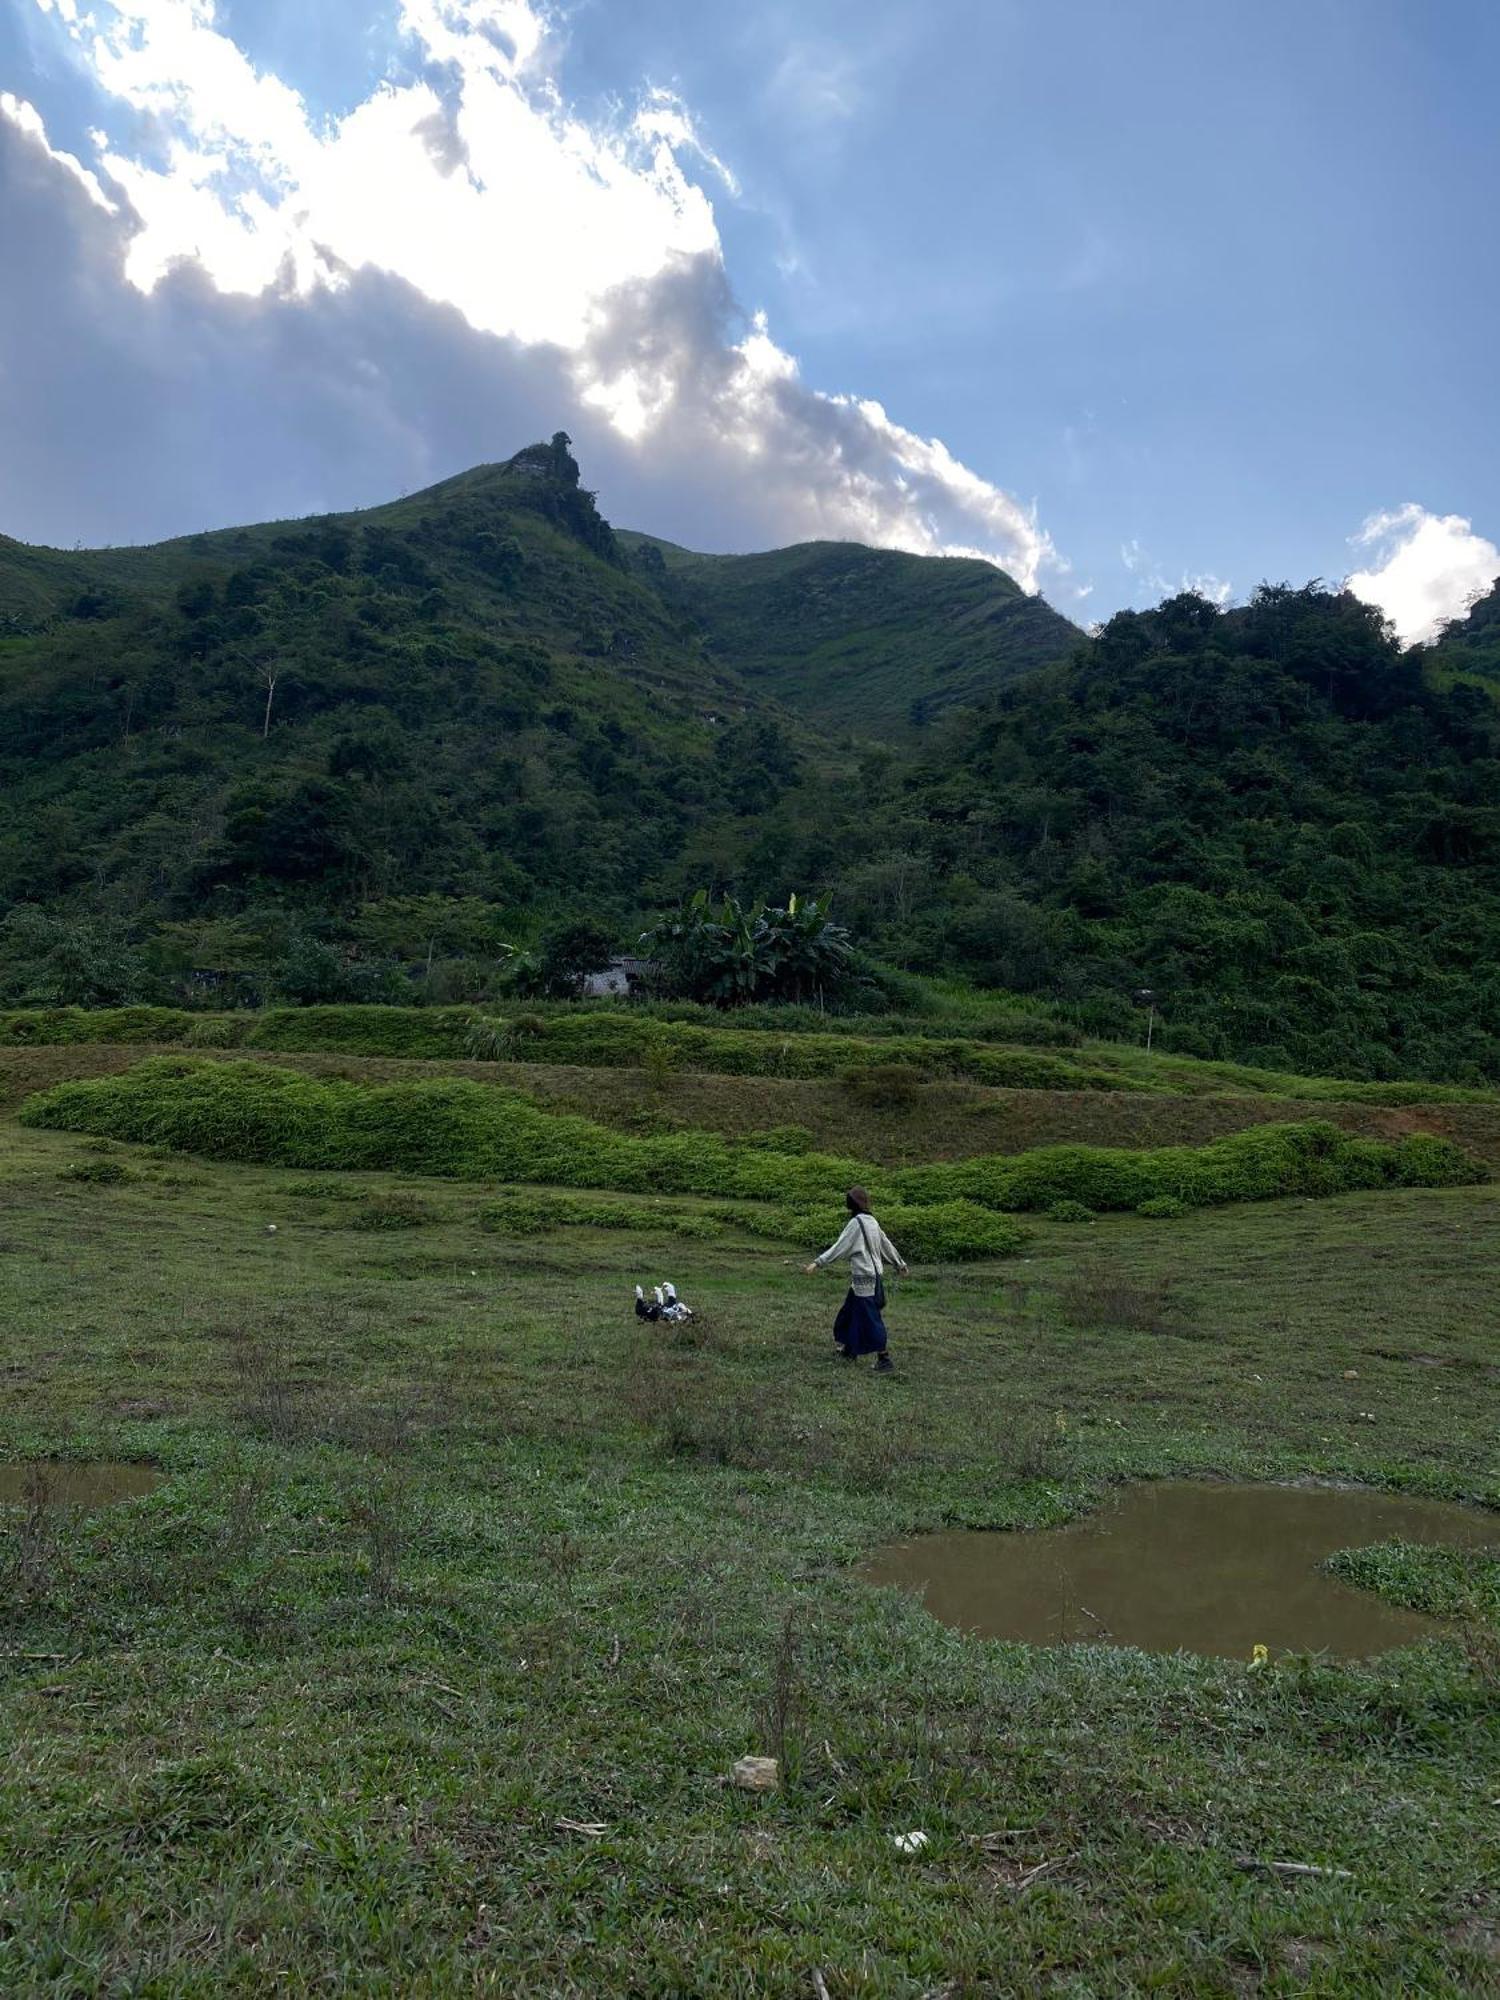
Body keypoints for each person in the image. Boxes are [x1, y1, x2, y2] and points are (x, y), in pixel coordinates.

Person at [805, 1186, 908, 1372]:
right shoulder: (872, 1221)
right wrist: (899, 1263)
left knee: (871, 1319)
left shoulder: (856, 1223)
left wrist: (818, 1263)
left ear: (852, 1204)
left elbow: (840, 1247)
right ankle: (849, 1350)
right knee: (849, 1312)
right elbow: (886, 1244)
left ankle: (884, 1360)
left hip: (864, 1278)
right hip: (874, 1277)